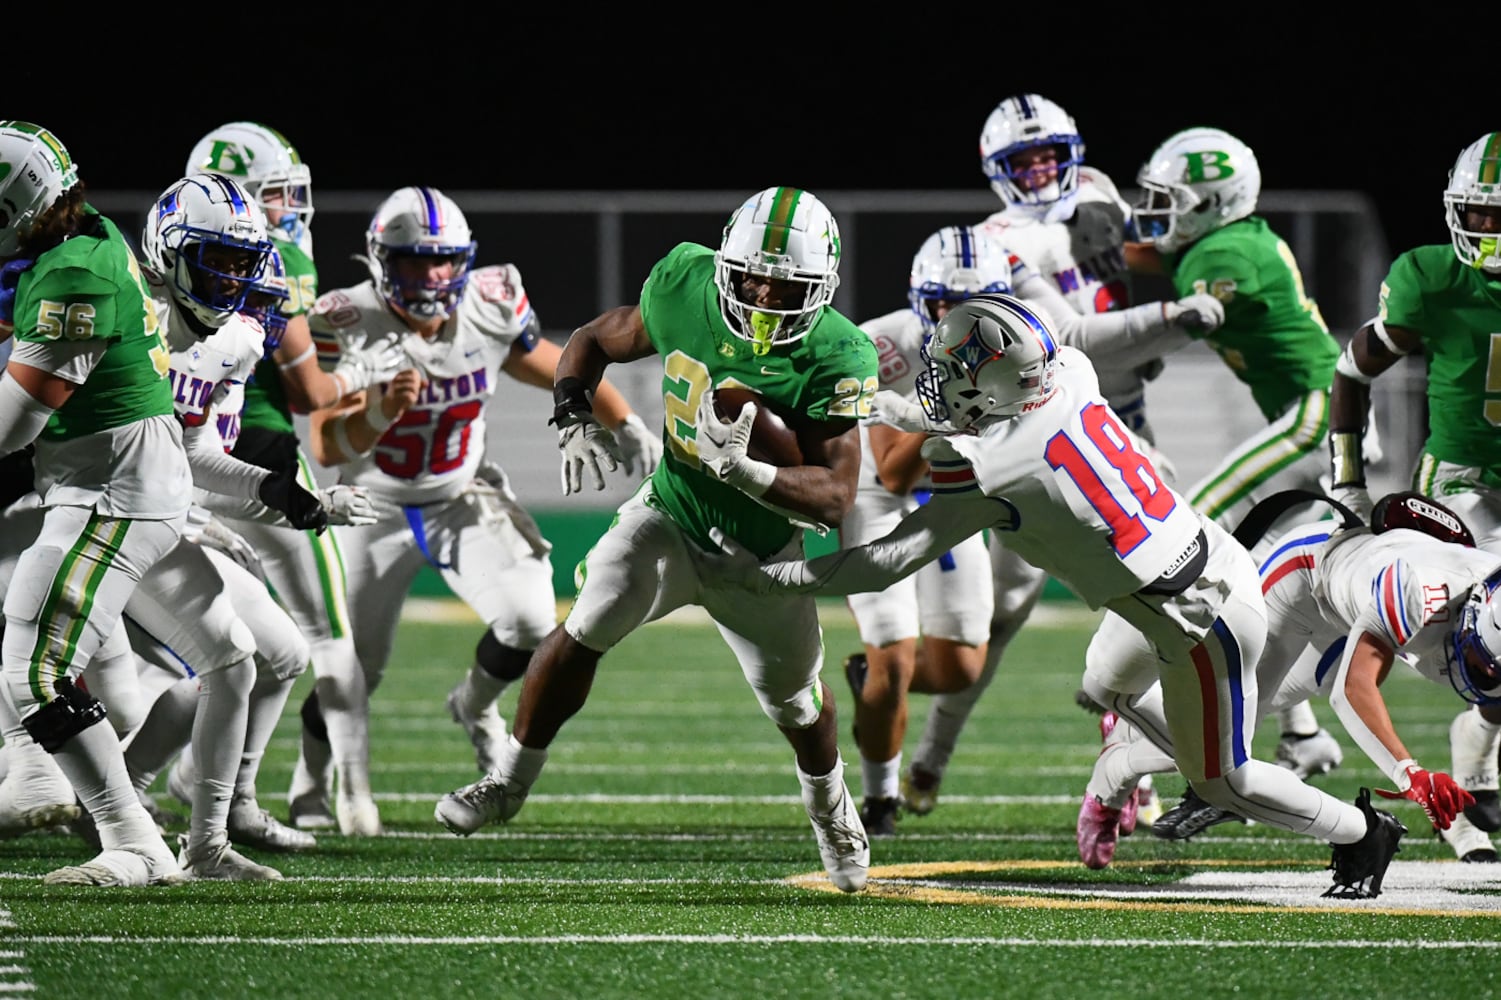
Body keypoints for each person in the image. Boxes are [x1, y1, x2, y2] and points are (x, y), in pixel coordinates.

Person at [694, 294, 1408, 900]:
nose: (935, 378)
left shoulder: (1007, 475)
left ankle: (1363, 834)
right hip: (1195, 564)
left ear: (995, 386)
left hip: (1199, 622)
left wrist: (772, 577)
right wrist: (879, 405)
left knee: (1223, 780)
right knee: (1099, 686)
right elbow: (965, 413)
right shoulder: (1066, 371)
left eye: (950, 371)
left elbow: (887, 560)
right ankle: (1117, 775)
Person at [433, 186, 879, 894]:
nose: (762, 294)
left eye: (782, 283)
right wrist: (573, 411)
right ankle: (507, 781)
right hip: (669, 514)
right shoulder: (684, 280)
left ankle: (831, 809)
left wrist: (749, 471)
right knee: (583, 625)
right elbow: (592, 340)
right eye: (750, 275)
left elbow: (835, 495)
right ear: (725, 263)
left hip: (759, 553)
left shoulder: (838, 351)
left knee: (796, 703)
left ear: (818, 288)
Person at [899, 94, 1224, 820]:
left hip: (1117, 420)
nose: (1041, 170)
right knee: (1008, 611)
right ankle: (932, 755)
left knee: (1169, 588)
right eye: (1024, 161)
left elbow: (1129, 255)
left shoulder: (1099, 192)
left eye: (1049, 154)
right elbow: (1071, 334)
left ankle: (1145, 765)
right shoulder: (998, 244)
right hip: (1047, 430)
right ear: (997, 172)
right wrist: (1168, 321)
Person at [305, 185, 661, 836]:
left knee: (530, 619)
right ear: (381, 261)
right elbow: (326, 442)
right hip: (371, 501)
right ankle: (313, 780)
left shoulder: (490, 302)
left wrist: (626, 420)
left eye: (444, 260)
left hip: (460, 491)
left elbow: (555, 365)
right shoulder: (343, 318)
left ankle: (473, 705)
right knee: (356, 660)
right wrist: (381, 410)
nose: (434, 275)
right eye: (415, 261)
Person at [846, 222, 1211, 834]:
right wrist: (940, 414)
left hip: (957, 484)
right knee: (893, 663)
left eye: (972, 302)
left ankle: (886, 686)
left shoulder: (1025, 334)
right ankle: (880, 799)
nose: (955, 316)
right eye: (941, 303)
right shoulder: (883, 344)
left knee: (962, 664)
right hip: (884, 497)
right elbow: (891, 472)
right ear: (918, 297)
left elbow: (1068, 362)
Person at [118, 172, 374, 878]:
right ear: (169, 253)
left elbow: (192, 452)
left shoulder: (234, 337)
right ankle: (134, 811)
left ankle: (168, 807)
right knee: (202, 669)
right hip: (101, 516)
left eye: (243, 261)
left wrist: (290, 498)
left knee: (282, 654)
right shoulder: (128, 319)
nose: (234, 279)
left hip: (169, 515)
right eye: (218, 260)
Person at [183, 122, 406, 836]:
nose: (286, 209)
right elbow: (310, 392)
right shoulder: (270, 260)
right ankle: (344, 797)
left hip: (182, 470)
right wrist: (364, 368)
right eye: (275, 193)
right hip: (258, 457)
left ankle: (147, 792)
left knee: (211, 654)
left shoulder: (171, 256)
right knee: (321, 638)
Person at [1124, 125, 1357, 783]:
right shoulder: (1226, 240)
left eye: (1173, 199)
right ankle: (1302, 736)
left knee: (1190, 529)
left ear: (1213, 202)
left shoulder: (1224, 257)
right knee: (1261, 576)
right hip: (1319, 414)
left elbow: (1194, 307)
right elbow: (1149, 254)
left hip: (1319, 414)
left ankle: (1157, 711)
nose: (1158, 211)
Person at [1083, 491, 1489, 865]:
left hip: (1349, 619)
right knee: (1223, 734)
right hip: (1305, 583)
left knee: (1220, 736)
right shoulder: (1416, 590)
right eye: (1481, 660)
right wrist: (1410, 774)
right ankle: (1119, 762)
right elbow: (1352, 691)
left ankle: (1133, 734)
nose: (1483, 673)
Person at [0, 121, 190, 886]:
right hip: (101, 480)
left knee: (37, 671)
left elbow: (14, 425)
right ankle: (76, 801)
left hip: (115, 489)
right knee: (37, 650)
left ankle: (136, 843)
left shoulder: (76, 274)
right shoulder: (89, 233)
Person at [1327, 131, 1501, 862]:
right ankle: (1455, 787)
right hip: (1460, 483)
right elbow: (1349, 370)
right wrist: (1345, 475)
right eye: (1479, 213)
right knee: (1471, 631)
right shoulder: (1430, 278)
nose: (1486, 230)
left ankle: (1477, 765)